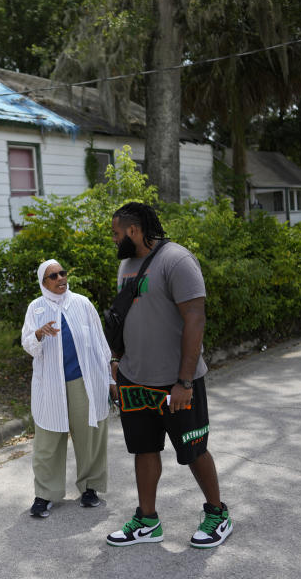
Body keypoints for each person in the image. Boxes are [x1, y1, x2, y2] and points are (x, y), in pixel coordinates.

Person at [105, 202, 233, 548]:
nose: (114, 240)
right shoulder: (127, 265)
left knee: (193, 448)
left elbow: (195, 320)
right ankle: (147, 521)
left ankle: (218, 513)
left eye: (117, 233)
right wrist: (116, 363)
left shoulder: (177, 260)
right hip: (134, 378)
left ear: (133, 231)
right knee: (144, 450)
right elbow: (123, 319)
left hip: (175, 382)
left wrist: (184, 382)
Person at [21, 259, 116, 518]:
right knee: (47, 441)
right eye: (53, 276)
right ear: (44, 283)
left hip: (84, 382)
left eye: (63, 273)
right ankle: (45, 495)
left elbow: (100, 343)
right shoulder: (36, 308)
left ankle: (90, 488)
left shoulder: (82, 304)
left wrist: (110, 379)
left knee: (90, 436)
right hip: (50, 385)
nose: (61, 278)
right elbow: (27, 344)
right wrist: (39, 334)